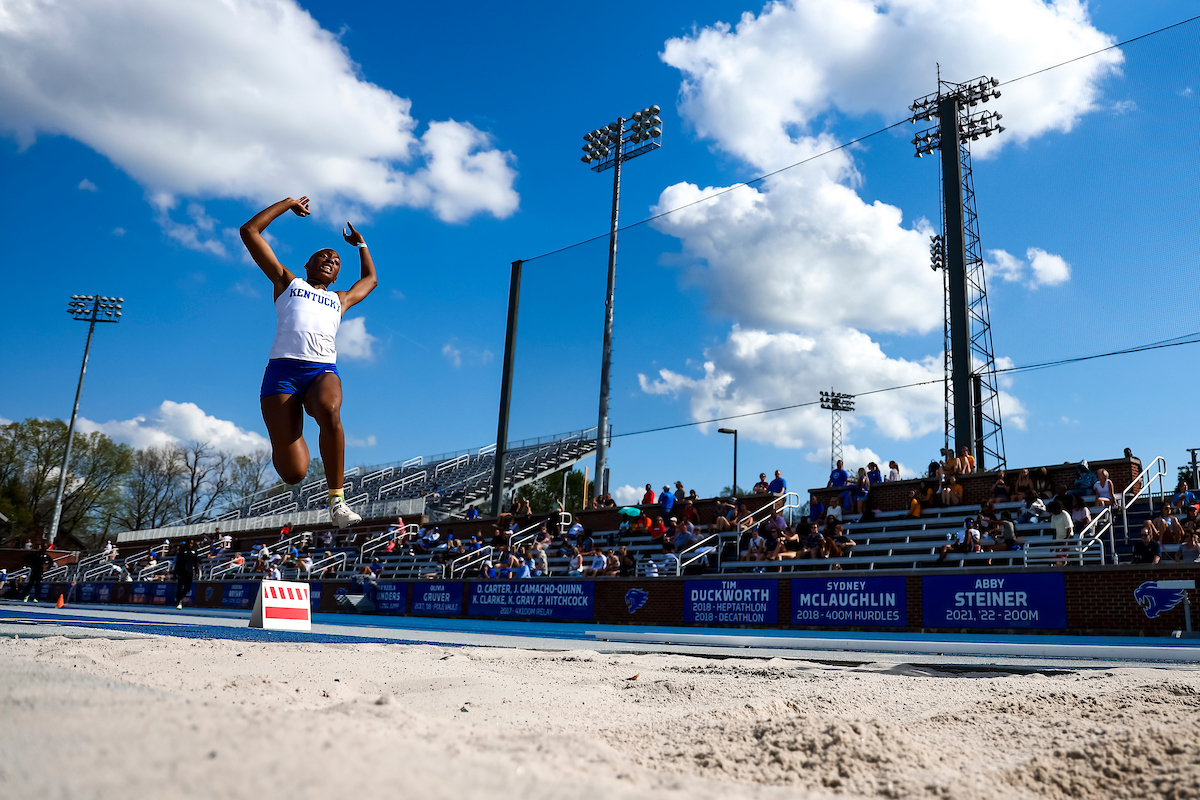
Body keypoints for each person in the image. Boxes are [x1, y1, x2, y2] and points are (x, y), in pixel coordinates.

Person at [240, 196, 378, 529]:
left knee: (330, 408)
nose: (331, 258)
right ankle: (289, 432)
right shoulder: (288, 283)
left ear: (335, 276)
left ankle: (337, 501)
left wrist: (361, 245)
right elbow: (250, 231)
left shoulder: (338, 299)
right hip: (282, 375)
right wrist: (287, 203)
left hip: (321, 372)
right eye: (323, 255)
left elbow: (371, 280)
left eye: (335, 259)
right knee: (294, 473)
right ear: (307, 264)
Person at [173, 540, 199, 610]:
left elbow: (196, 563)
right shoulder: (181, 552)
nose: (190, 545)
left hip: (189, 572)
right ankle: (178, 602)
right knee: (180, 586)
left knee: (187, 588)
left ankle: (179, 598)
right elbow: (178, 563)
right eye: (189, 543)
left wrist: (197, 572)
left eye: (191, 543)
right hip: (181, 572)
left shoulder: (194, 552)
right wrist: (175, 572)